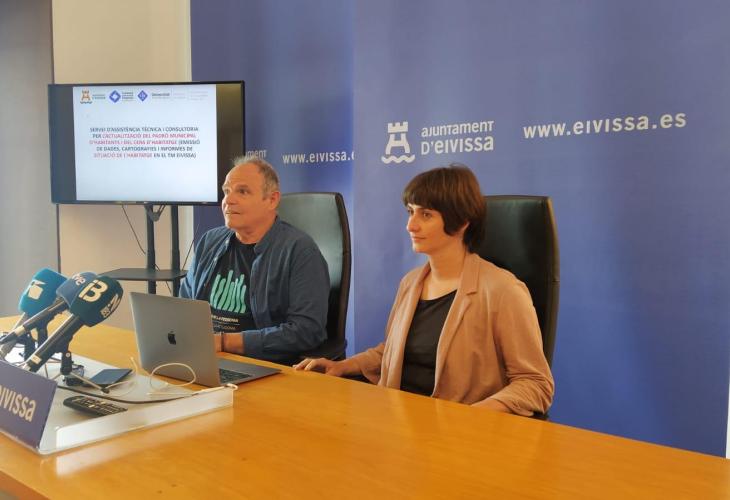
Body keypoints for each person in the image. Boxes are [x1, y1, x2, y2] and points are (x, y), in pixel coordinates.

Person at [295, 165, 553, 416]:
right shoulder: (410, 283)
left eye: (426, 215)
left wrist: (475, 416)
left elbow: (535, 383)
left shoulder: (503, 290)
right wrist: (341, 366)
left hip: (458, 432)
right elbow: (391, 352)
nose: (411, 225)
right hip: (398, 423)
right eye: (410, 212)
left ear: (461, 222)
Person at [180, 156, 330, 364]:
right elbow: (184, 307)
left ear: (272, 200)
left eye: (242, 191)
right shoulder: (209, 241)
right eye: (226, 191)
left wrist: (224, 342)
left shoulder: (300, 251)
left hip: (262, 364)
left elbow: (306, 331)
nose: (228, 200)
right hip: (204, 357)